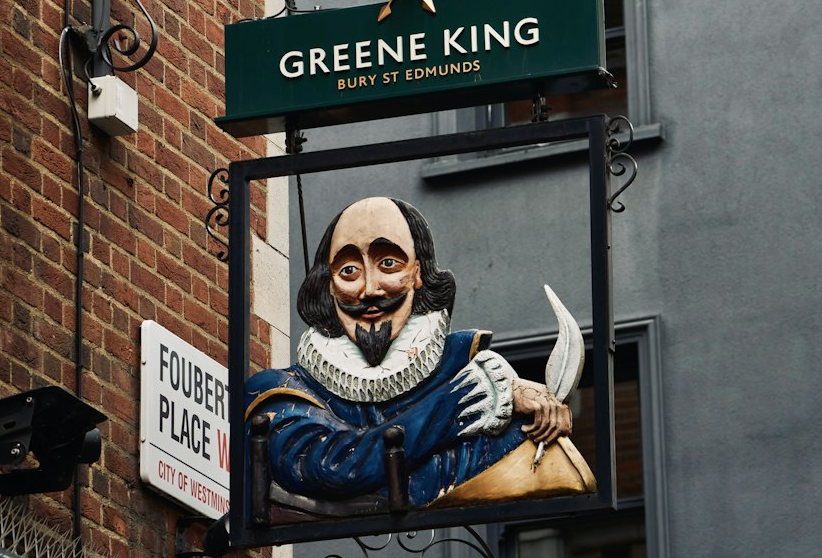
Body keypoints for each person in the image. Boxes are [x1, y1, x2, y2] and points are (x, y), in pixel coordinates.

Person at [244, 196, 594, 512]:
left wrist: (526, 398)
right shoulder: (277, 392)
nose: (368, 289)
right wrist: (467, 400)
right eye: (348, 270)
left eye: (389, 264)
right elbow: (332, 467)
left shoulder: (462, 364)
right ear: (328, 284)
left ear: (418, 273)